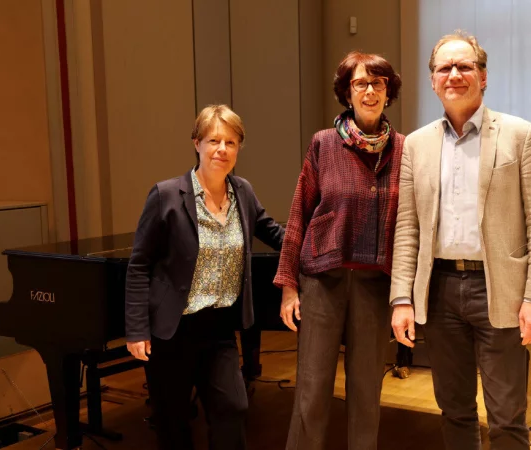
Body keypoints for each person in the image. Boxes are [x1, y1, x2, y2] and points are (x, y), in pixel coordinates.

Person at [389, 31, 531, 450]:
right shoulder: (416, 145)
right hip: (440, 291)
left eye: (465, 66)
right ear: (432, 80)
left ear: (483, 76)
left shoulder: (520, 135)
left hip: (500, 291)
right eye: (445, 67)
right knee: (455, 410)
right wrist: (401, 298)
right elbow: (407, 227)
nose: (455, 75)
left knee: (507, 416)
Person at [125, 104, 285, 450]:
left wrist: (321, 241)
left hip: (219, 328)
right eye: (214, 140)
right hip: (172, 332)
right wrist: (136, 329)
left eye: (230, 142)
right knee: (174, 423)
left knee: (233, 408)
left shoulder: (243, 192)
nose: (222, 150)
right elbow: (139, 266)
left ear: (239, 148)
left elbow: (274, 233)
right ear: (196, 143)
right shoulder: (166, 196)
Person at [273, 51, 404, 450]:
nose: (369, 91)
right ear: (347, 92)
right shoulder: (323, 144)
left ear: (387, 92)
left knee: (367, 392)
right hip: (322, 282)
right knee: (312, 390)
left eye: (377, 83)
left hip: (374, 286)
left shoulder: (403, 150)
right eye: (360, 83)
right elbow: (299, 213)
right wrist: (288, 285)